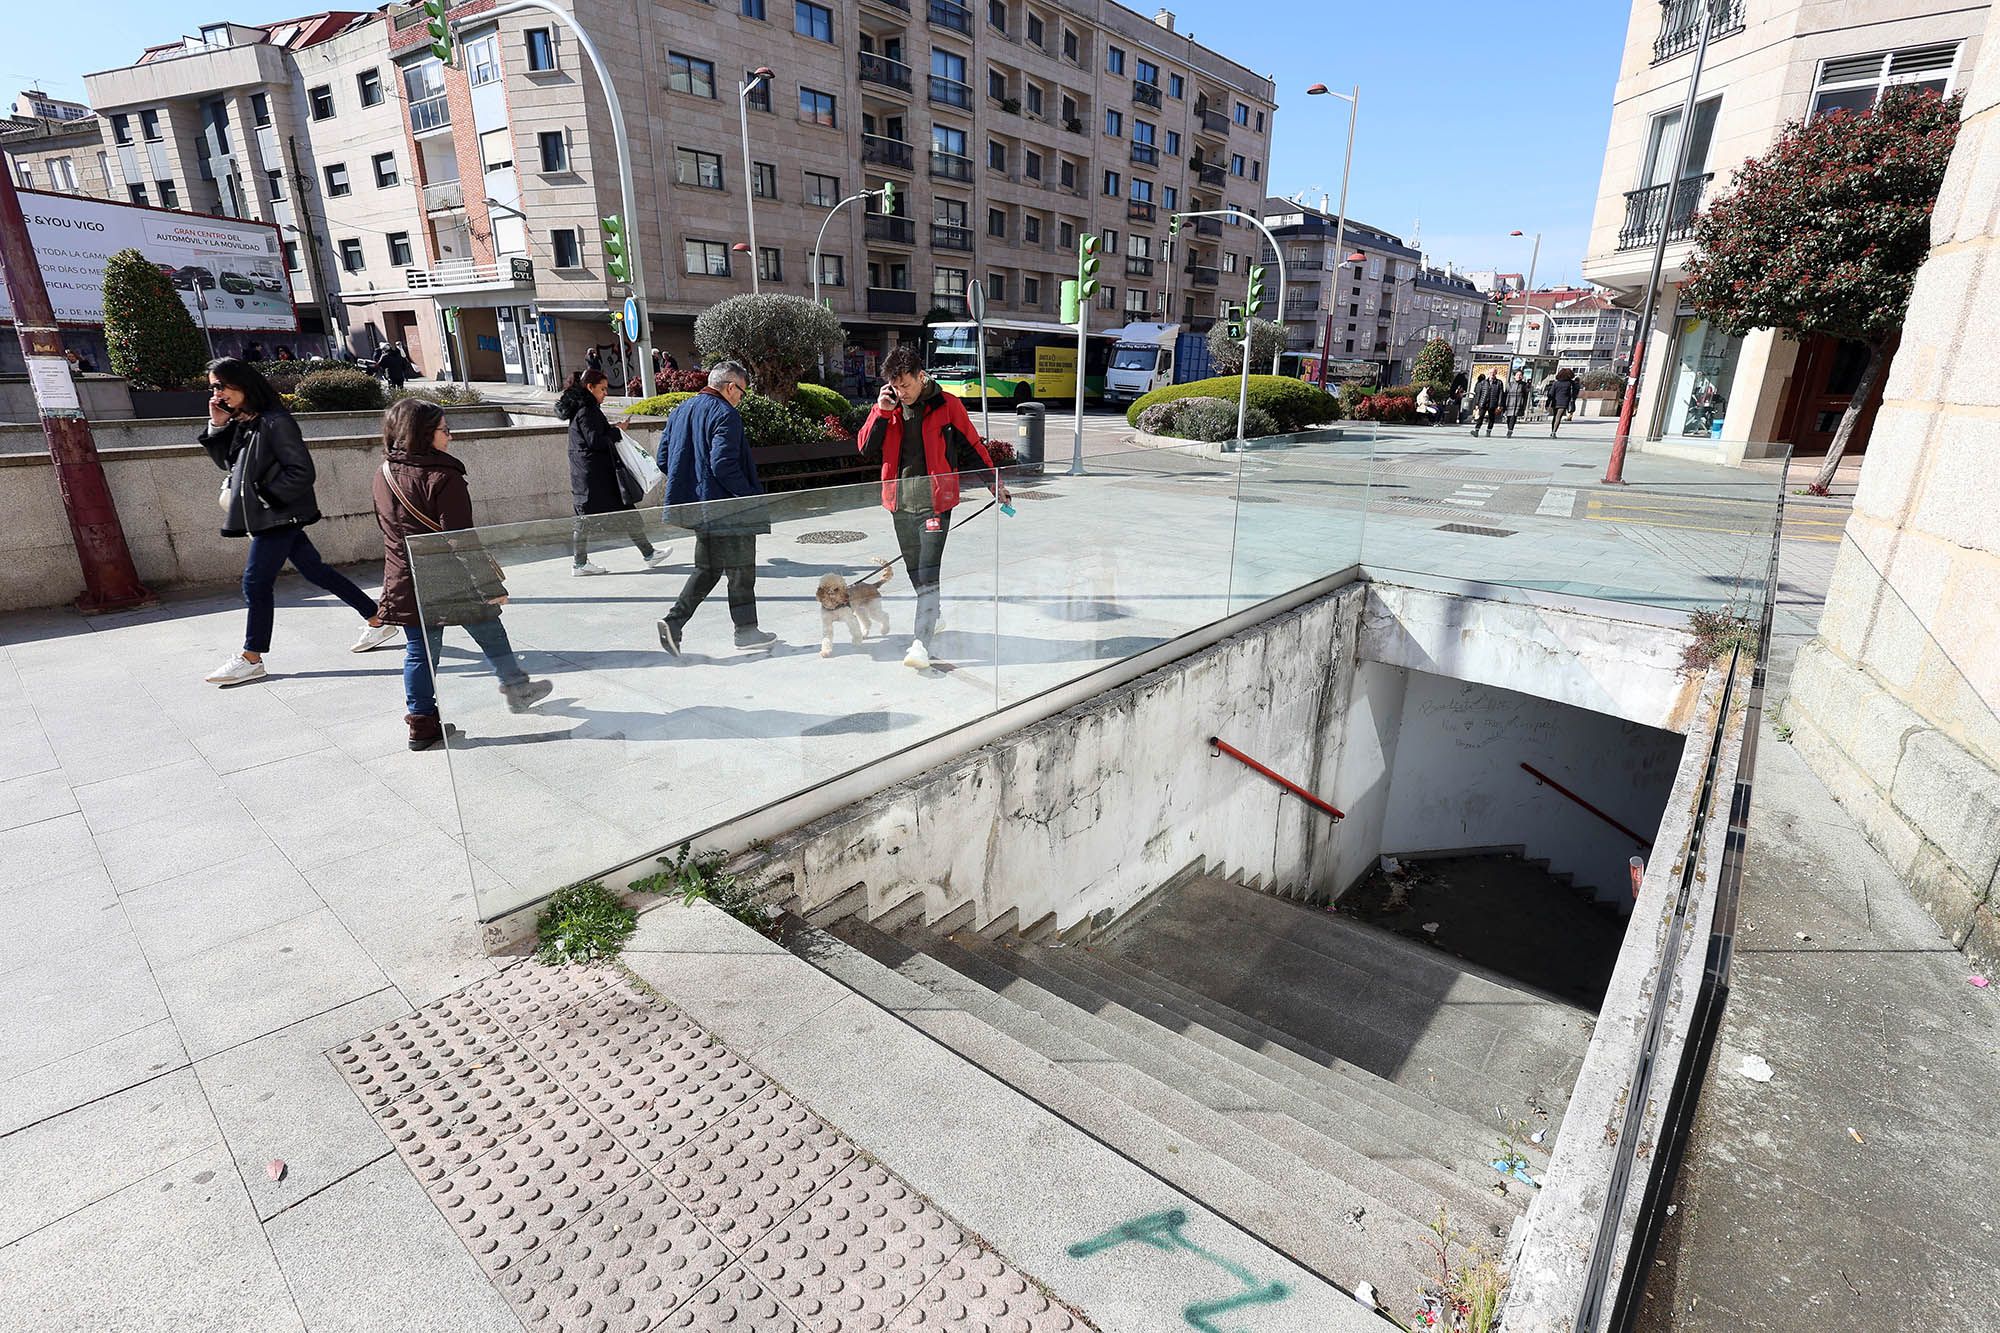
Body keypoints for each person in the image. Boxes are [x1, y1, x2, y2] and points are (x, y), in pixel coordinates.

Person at [198, 357, 394, 686]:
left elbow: (302, 471)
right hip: (272, 514)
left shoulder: (276, 422)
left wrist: (264, 499)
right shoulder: (247, 422)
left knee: (256, 583)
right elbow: (227, 463)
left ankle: (252, 657)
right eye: (213, 388)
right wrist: (217, 424)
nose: (217, 394)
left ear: (242, 384)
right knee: (315, 570)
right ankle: (378, 618)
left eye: (221, 386)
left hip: (277, 514)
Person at [372, 398, 551, 750]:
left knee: (420, 650)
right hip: (449, 578)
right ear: (423, 434)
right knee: (488, 625)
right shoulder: (443, 476)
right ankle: (516, 689)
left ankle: (422, 723)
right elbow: (460, 540)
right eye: (444, 429)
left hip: (404, 578)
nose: (450, 436)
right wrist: (489, 585)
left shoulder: (384, 473)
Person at [858, 343, 1007, 671]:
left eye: (906, 385)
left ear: (920, 376)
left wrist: (994, 483)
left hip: (935, 506)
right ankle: (933, 614)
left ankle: (920, 644)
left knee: (928, 575)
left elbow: (972, 447)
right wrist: (881, 411)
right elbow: (866, 448)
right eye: (895, 387)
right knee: (916, 573)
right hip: (900, 505)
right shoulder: (889, 407)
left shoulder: (947, 405)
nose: (902, 392)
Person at [655, 361, 775, 655]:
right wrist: (749, 497)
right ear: (731, 386)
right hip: (729, 509)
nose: (740, 399)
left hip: (701, 508)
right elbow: (722, 464)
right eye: (742, 393)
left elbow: (663, 459)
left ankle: (673, 624)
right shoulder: (725, 414)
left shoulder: (681, 410)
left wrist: (695, 484)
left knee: (707, 570)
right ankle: (746, 632)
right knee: (741, 571)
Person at [560, 369, 668, 576]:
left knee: (621, 512)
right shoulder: (586, 410)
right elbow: (595, 441)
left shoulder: (583, 408)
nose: (605, 393)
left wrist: (613, 429)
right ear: (590, 387)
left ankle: (648, 553)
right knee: (586, 519)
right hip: (595, 478)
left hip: (593, 476)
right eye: (602, 389)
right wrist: (617, 430)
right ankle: (580, 564)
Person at [1546, 368, 1579, 436]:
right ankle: (1554, 432)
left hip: (1555, 402)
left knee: (1555, 417)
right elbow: (1574, 393)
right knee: (1558, 417)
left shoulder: (1556, 383)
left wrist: (1548, 402)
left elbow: (1551, 393)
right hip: (1564, 402)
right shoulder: (1570, 383)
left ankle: (1552, 430)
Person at [1470, 372, 1504, 437]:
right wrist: (1477, 403)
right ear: (1489, 374)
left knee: (1491, 418)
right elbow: (1479, 393)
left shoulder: (1499, 383)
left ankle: (1488, 431)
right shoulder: (1483, 382)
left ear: (1495, 374)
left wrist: (1499, 404)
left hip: (1493, 402)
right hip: (1483, 402)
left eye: (1493, 373)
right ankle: (1476, 431)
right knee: (1480, 417)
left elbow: (1500, 394)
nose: (1492, 374)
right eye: (1491, 373)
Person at [1504, 370, 1532, 437]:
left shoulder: (1524, 385)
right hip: (1509, 402)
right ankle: (1509, 428)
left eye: (1520, 375)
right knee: (1508, 418)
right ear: (1514, 376)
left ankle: (1510, 431)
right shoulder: (1509, 384)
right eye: (1517, 375)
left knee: (1513, 417)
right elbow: (1505, 393)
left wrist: (1529, 386)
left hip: (1518, 403)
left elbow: (1527, 393)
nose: (1519, 376)